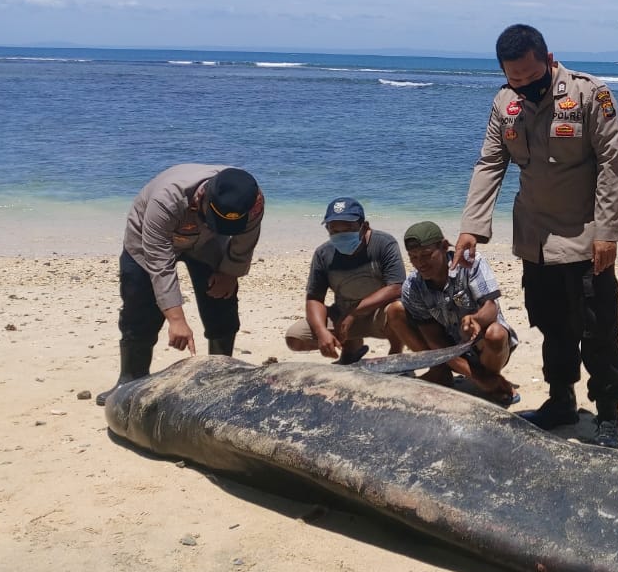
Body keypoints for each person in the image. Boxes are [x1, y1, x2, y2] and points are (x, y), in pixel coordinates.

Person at [456, 23, 618, 449]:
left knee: (598, 329)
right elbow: (490, 163)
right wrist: (472, 227)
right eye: (514, 79)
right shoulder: (505, 104)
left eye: (531, 78)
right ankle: (561, 401)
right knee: (552, 326)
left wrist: (607, 232)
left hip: (587, 236)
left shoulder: (590, 94)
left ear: (549, 61)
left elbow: (612, 163)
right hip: (535, 237)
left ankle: (608, 415)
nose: (523, 87)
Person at [96, 164, 264, 406]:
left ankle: (220, 377)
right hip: (148, 242)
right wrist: (176, 319)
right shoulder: (167, 199)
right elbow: (159, 262)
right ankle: (130, 379)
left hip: (208, 242)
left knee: (222, 300)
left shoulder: (252, 201)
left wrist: (229, 273)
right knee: (139, 308)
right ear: (204, 199)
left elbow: (244, 242)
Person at [386, 221, 518, 406]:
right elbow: (434, 339)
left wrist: (476, 319)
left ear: (443, 246)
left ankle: (491, 377)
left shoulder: (470, 263)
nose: (420, 263)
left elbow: (491, 307)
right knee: (395, 310)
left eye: (426, 255)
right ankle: (441, 372)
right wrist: (475, 377)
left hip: (481, 343)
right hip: (448, 345)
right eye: (413, 257)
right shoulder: (413, 286)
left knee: (496, 334)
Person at [284, 197, 405, 364]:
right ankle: (351, 349)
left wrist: (354, 312)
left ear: (365, 226)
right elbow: (314, 298)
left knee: (399, 310)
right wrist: (321, 332)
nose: (341, 235)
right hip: (342, 317)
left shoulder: (384, 243)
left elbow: (396, 287)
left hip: (379, 314)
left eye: (348, 229)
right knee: (295, 338)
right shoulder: (323, 254)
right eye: (334, 230)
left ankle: (396, 354)